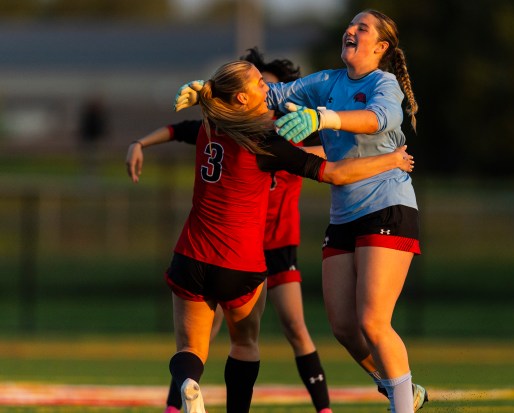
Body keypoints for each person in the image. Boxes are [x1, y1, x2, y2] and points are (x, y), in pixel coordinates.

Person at [174, 9, 428, 413]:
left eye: (362, 28)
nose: (351, 30)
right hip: (345, 214)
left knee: (373, 321)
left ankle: (401, 405)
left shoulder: (384, 83)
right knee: (344, 327)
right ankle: (401, 387)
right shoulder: (327, 81)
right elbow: (270, 96)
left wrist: (326, 116)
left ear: (380, 47)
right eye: (351, 25)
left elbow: (382, 119)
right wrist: (209, 89)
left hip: (387, 205)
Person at [127, 47, 333, 413]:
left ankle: (186, 393)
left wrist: (141, 140)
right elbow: (330, 167)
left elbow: (187, 124)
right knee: (244, 342)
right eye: (259, 86)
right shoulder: (267, 139)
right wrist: (378, 148)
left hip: (221, 249)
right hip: (244, 256)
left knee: (193, 346)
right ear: (242, 97)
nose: (268, 93)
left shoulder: (219, 124)